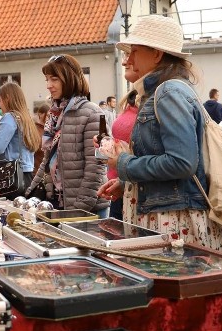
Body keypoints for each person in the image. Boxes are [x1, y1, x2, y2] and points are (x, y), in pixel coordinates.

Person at [97, 15, 222, 253]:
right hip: (169, 215)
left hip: (175, 221)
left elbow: (181, 163)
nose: (126, 60)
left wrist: (124, 164)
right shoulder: (165, 91)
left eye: (134, 51)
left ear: (157, 54)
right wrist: (127, 182)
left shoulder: (168, 92)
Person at [27, 54, 109, 216]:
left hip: (87, 209)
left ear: (69, 78)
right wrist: (30, 194)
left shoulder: (93, 113)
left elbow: (97, 166)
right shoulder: (55, 114)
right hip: (59, 203)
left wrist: (78, 208)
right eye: (47, 79)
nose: (49, 85)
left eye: (54, 79)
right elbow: (47, 160)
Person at [106, 52, 141, 221]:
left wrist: (121, 162)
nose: (125, 61)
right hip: (121, 185)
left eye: (133, 53)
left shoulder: (159, 100)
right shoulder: (132, 98)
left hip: (138, 192)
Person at [32, 103, 49, 175]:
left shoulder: (50, 129)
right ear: (40, 114)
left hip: (47, 170)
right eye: (48, 115)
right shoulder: (35, 129)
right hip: (36, 169)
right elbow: (35, 147)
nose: (50, 117)